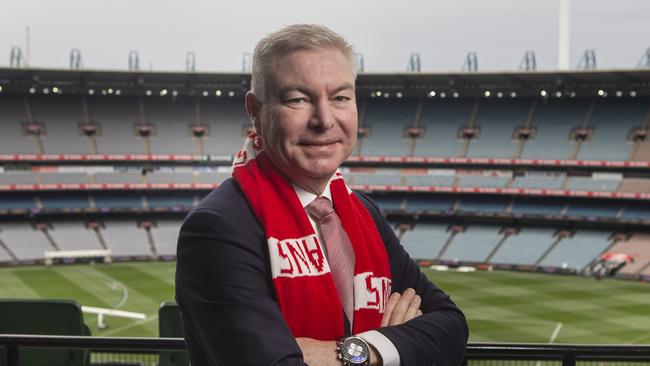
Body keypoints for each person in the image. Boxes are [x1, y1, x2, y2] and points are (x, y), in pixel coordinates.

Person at [176, 24, 468, 365]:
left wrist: (363, 351)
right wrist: (398, 348)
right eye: (298, 99)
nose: (324, 120)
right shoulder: (218, 227)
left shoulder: (363, 213)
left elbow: (451, 325)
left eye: (340, 97)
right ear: (255, 110)